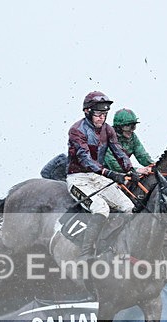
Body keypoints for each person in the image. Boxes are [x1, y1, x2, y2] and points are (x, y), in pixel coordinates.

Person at [66, 91, 138, 260]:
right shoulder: (76, 130)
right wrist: (110, 173)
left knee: (129, 207)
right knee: (101, 208)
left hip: (98, 178)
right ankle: (86, 253)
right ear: (87, 112)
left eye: (104, 114)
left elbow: (118, 151)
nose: (102, 118)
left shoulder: (108, 129)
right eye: (98, 114)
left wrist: (130, 169)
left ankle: (114, 244)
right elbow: (85, 159)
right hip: (78, 179)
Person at [104, 108, 154, 172]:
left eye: (133, 126)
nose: (131, 130)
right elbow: (114, 165)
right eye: (128, 126)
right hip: (97, 173)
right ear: (118, 127)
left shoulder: (132, 137)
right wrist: (137, 170)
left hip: (118, 172)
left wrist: (154, 165)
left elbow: (142, 156)